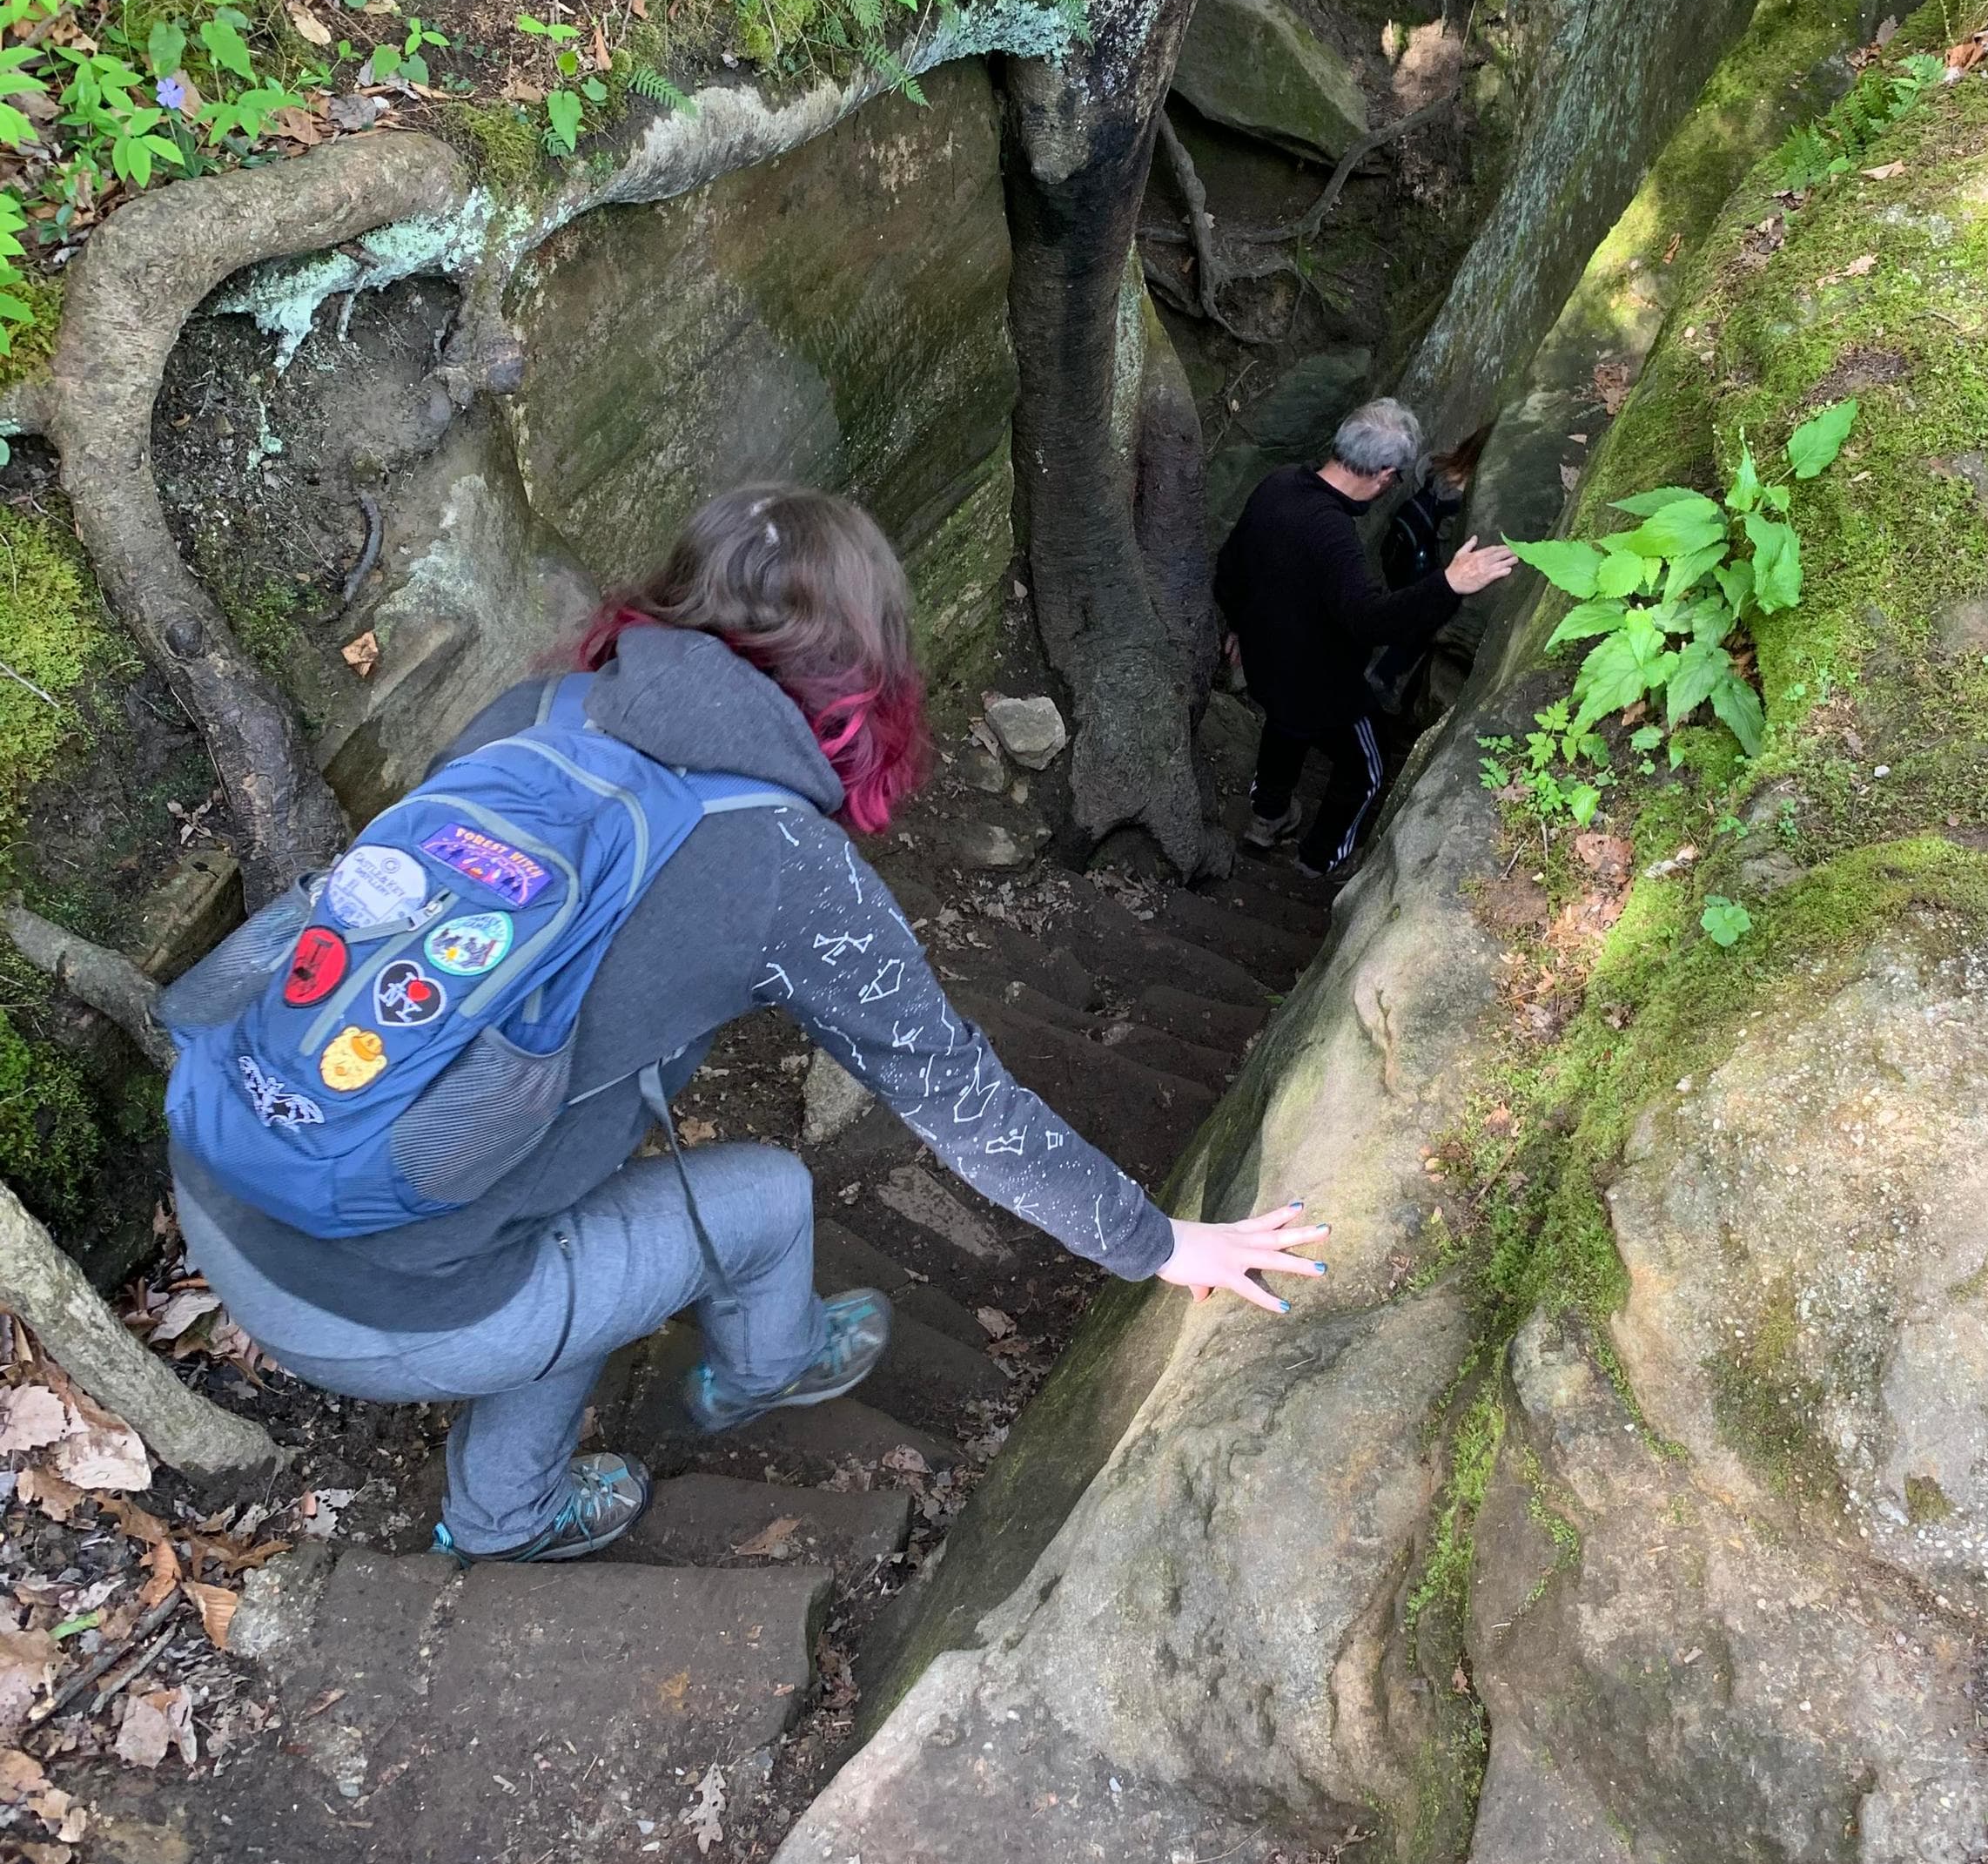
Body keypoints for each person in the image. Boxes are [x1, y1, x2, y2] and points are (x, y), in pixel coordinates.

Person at [165, 487, 1328, 1563]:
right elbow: (959, 1097)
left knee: (565, 1196)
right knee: (769, 1198)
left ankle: (521, 1450)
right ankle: (689, 1412)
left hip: (228, 1149)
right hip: (377, 1307)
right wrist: (1161, 1244)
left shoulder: (540, 712)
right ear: (866, 679)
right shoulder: (784, 864)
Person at [1214, 399, 1513, 877]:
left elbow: (1230, 566)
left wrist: (1239, 625)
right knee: (1366, 768)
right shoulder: (1332, 536)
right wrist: (1449, 583)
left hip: (1265, 664)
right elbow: (1370, 619)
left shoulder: (1280, 484)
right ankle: (1319, 859)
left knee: (1284, 726)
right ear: (1385, 476)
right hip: (1323, 684)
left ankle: (1266, 818)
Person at [1363, 424, 1489, 718]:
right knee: (1417, 630)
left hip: (1400, 554)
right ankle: (1382, 677)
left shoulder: (1437, 467)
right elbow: (1445, 553)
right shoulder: (1458, 504)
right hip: (1421, 571)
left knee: (1399, 612)